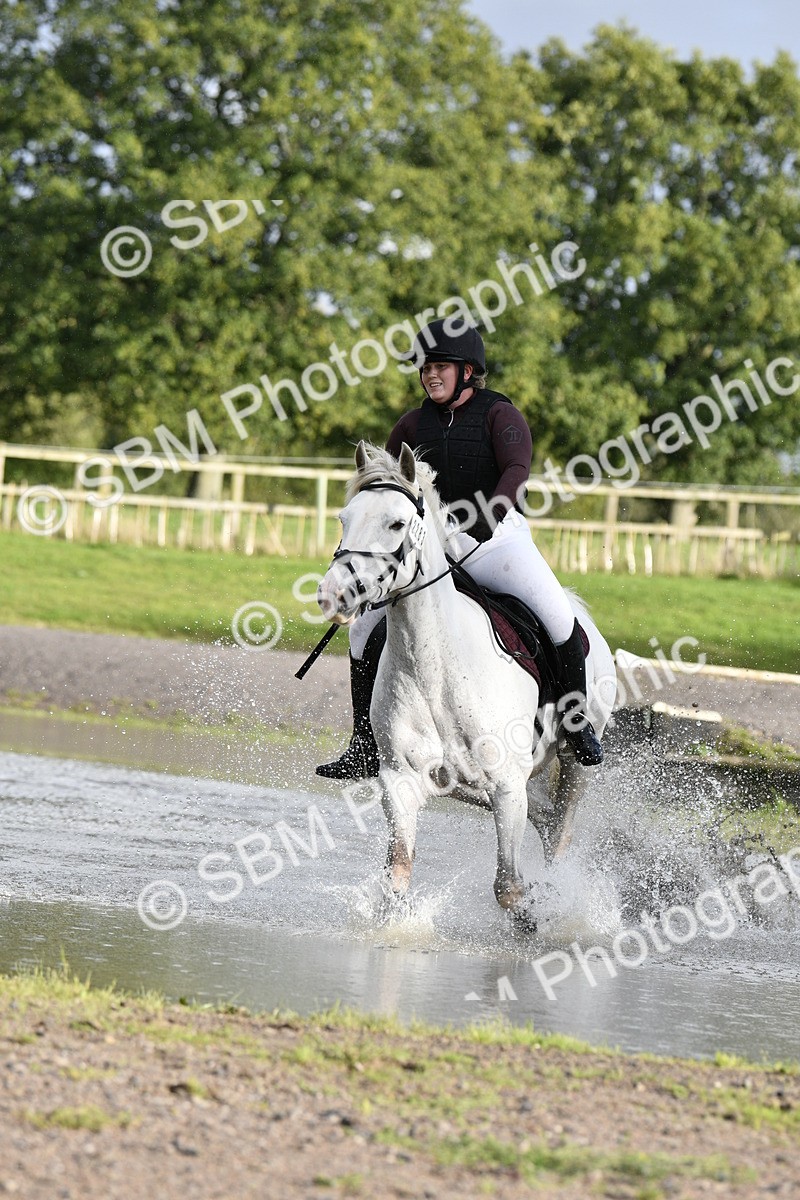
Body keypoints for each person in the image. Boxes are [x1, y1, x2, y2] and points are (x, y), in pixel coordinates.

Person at [316, 318, 604, 779]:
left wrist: (491, 513)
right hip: (432, 549)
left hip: (496, 542)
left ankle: (575, 723)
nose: (430, 375)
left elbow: (516, 469)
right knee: (360, 630)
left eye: (440, 367)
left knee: (557, 617)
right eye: (425, 367)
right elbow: (391, 487)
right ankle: (365, 744)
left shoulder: (499, 416)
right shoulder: (411, 424)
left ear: (468, 371)